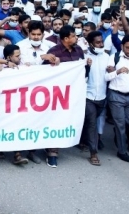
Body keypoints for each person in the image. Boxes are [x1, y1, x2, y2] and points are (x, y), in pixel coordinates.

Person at [44, 25, 86, 168]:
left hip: (73, 92)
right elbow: (42, 73)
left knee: (67, 120)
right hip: (57, 94)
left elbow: (82, 70)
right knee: (55, 120)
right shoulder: (54, 51)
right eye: (73, 36)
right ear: (66, 38)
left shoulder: (78, 50)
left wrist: (87, 65)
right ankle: (52, 152)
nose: (76, 38)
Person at [106, 35, 129, 163]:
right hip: (116, 95)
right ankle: (122, 151)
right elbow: (106, 77)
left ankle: (120, 134)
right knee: (120, 125)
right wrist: (117, 71)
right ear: (122, 46)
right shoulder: (113, 57)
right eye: (128, 48)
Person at [83, 31, 109, 166]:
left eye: (101, 41)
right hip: (88, 96)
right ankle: (93, 153)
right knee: (92, 123)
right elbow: (81, 77)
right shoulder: (84, 56)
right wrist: (86, 66)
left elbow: (108, 76)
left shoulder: (107, 57)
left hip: (102, 97)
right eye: (97, 42)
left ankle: (83, 140)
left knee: (91, 122)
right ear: (90, 43)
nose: (101, 44)